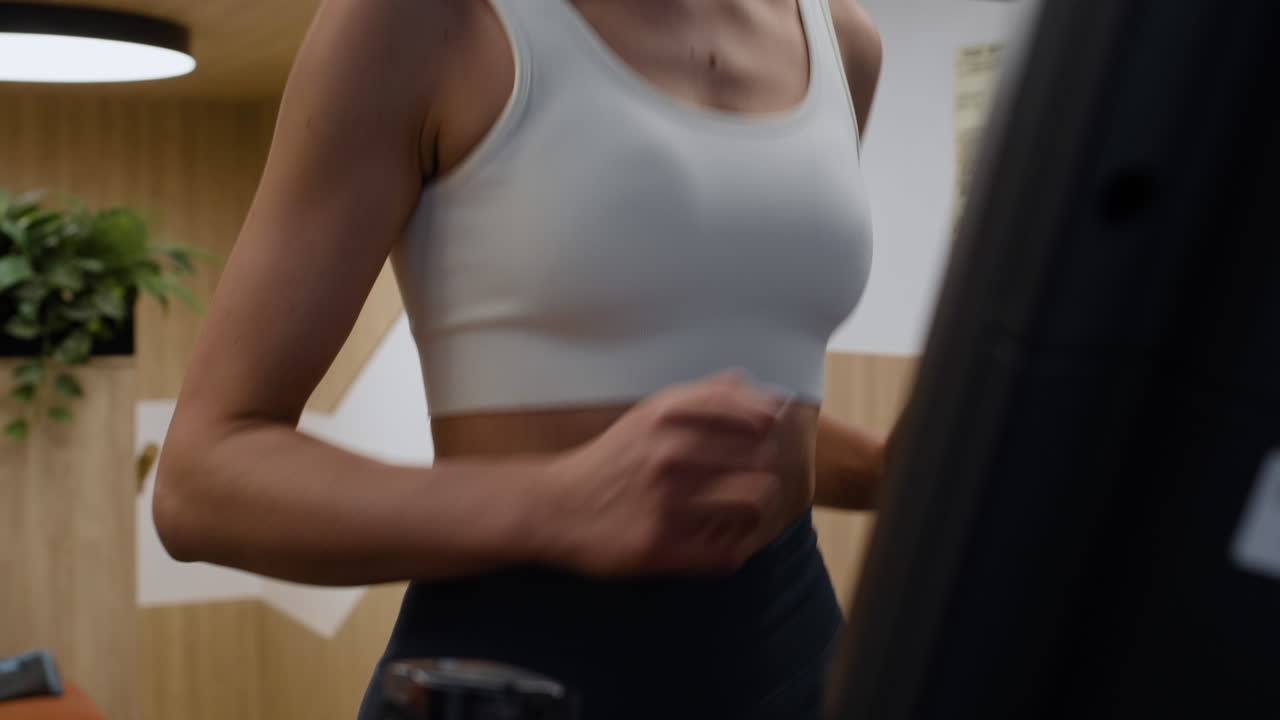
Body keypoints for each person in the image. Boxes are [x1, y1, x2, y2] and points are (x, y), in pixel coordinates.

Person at [153, 0, 887, 717]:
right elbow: (199, 482)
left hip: (798, 663)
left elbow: (707, 416)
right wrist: (554, 503)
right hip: (515, 666)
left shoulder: (843, 41)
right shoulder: (424, 20)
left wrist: (898, 468)